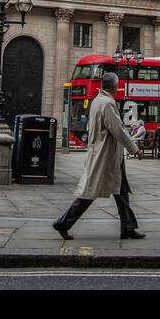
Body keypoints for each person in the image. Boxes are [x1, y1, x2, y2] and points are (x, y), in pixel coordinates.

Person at [53, 71, 144, 240]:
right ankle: (63, 223)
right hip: (105, 156)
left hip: (109, 155)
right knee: (89, 192)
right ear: (115, 87)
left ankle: (128, 227)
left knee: (121, 191)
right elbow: (118, 130)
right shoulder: (108, 104)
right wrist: (135, 149)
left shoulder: (97, 100)